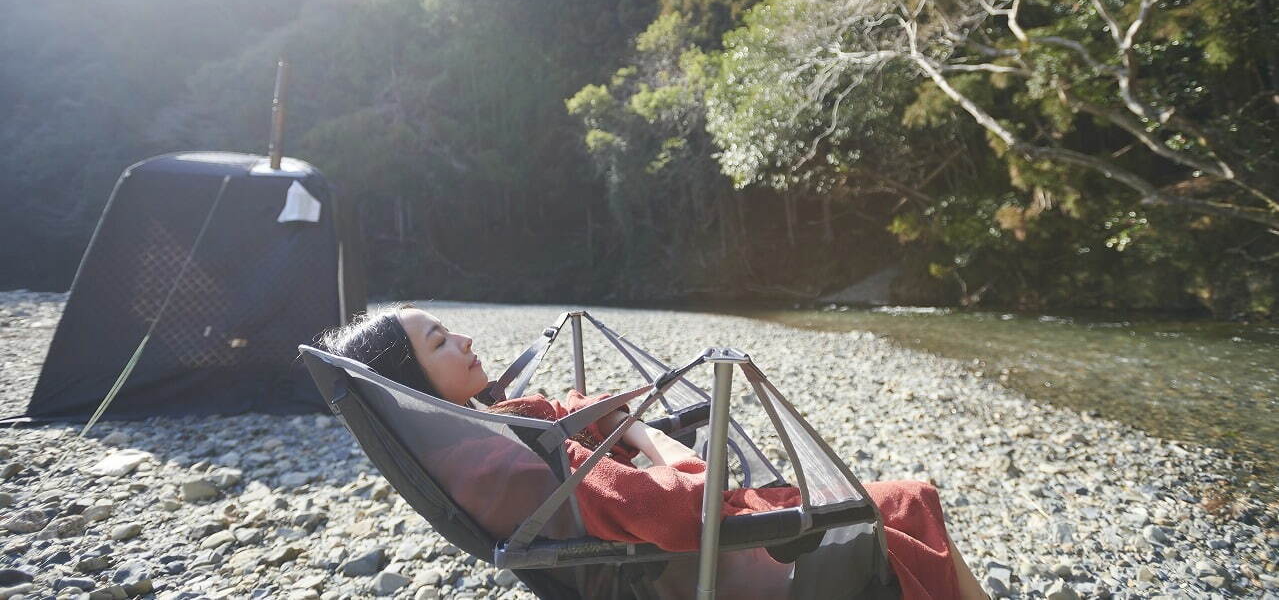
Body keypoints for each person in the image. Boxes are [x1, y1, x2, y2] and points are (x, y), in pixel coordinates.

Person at [318, 306, 990, 600]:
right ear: (412, 384)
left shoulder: (472, 445)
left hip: (670, 562)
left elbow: (577, 474)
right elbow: (684, 508)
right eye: (439, 342)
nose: (463, 339)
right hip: (719, 567)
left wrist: (583, 415)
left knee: (899, 502)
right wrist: (645, 435)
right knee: (907, 501)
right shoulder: (505, 457)